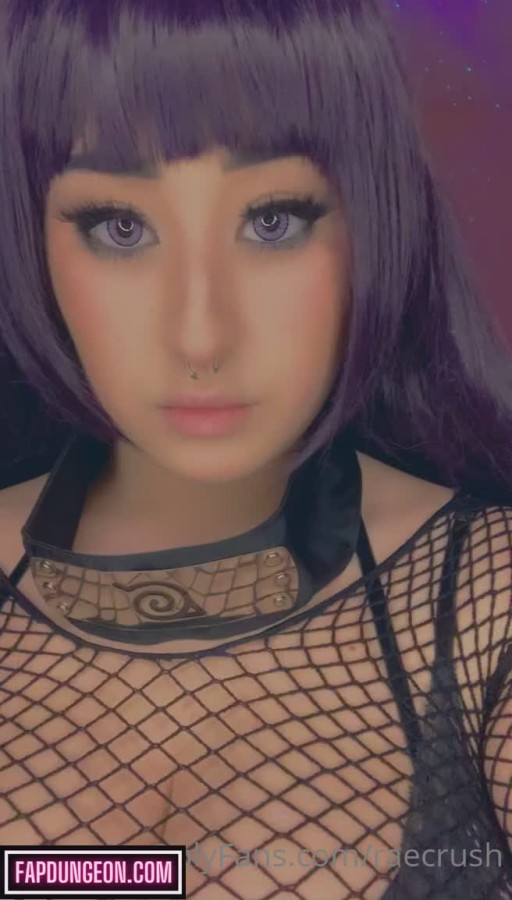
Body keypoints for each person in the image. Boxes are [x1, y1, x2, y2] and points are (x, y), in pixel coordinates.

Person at [0, 0, 511, 897]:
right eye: (120, 226)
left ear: (373, 220)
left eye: (273, 220)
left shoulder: (487, 606)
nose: (200, 334)